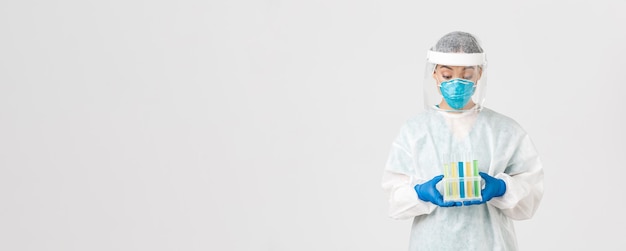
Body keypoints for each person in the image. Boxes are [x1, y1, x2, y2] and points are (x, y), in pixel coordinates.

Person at [381, 31, 544, 250]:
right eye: (447, 76)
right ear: (435, 74)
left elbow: (531, 193)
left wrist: (503, 188)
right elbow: (395, 199)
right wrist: (419, 193)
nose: (457, 84)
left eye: (466, 76)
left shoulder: (504, 131)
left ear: (479, 74)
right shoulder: (415, 131)